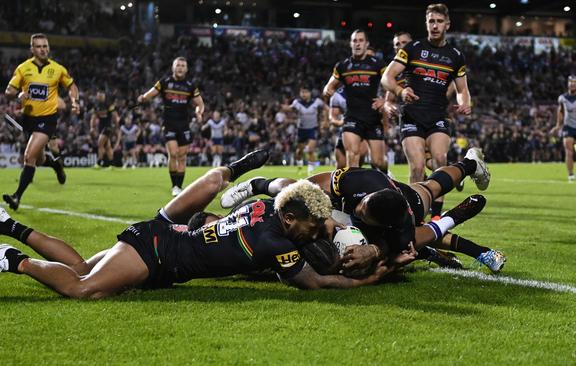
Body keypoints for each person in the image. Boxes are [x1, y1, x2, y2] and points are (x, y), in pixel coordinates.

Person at [0, 150, 390, 298]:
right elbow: (317, 282)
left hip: (162, 246)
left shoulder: (272, 207)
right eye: (312, 225)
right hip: (156, 250)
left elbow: (294, 192)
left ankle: (9, 225)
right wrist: (363, 280)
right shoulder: (276, 242)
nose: (315, 230)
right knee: (85, 290)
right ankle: (12, 259)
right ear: (291, 219)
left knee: (84, 268)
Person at [220, 148, 505, 272]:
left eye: (363, 212)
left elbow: (427, 232)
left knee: (429, 191)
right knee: (304, 193)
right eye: (362, 205)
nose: (358, 209)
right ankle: (257, 183)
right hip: (380, 190)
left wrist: (376, 251)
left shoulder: (403, 226)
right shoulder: (361, 180)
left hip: (410, 203)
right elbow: (307, 186)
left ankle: (469, 168)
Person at [381, 4, 472, 216]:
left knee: (440, 160)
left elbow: (462, 89)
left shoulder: (455, 56)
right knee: (418, 167)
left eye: (439, 21)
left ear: (447, 25)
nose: (435, 25)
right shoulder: (412, 48)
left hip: (438, 116)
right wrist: (400, 92)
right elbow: (387, 77)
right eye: (431, 21)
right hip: (412, 115)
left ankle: (437, 215)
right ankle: (415, 216)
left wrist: (465, 102)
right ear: (426, 24)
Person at [3, 33, 79, 211]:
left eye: (45, 46)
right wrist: (18, 94)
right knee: (38, 160)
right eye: (39, 46)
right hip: (28, 119)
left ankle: (16, 197)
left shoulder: (58, 69)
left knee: (28, 157)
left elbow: (72, 86)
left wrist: (74, 102)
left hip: (48, 119)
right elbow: (9, 90)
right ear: (32, 49)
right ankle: (55, 165)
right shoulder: (23, 69)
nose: (43, 49)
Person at [137, 56, 205, 196]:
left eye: (183, 65)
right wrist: (143, 98)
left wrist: (199, 112)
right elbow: (150, 94)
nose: (180, 67)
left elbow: (200, 104)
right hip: (169, 124)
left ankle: (179, 187)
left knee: (182, 156)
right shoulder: (165, 82)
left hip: (184, 124)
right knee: (173, 154)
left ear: (186, 69)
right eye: (178, 65)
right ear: (173, 67)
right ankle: (174, 186)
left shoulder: (190, 86)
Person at [323, 29, 387, 172]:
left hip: (373, 118)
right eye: (355, 41)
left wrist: (385, 100)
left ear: (366, 44)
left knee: (378, 162)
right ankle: (355, 192)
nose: (357, 44)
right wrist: (327, 89)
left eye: (361, 40)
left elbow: (390, 81)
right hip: (352, 117)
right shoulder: (342, 66)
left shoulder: (378, 64)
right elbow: (329, 85)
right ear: (350, 44)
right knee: (352, 157)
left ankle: (386, 178)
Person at [281, 87, 327, 174]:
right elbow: (290, 108)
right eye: (302, 92)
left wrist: (325, 121)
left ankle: (311, 170)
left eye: (306, 92)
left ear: (310, 93)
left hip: (313, 129)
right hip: (301, 130)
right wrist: (284, 107)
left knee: (310, 149)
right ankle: (300, 165)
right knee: (299, 152)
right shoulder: (297, 102)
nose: (304, 94)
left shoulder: (316, 101)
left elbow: (326, 108)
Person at [90, 91, 119, 168]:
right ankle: (112, 164)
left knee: (100, 143)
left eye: (101, 96)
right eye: (99, 96)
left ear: (104, 96)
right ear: (97, 96)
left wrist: (116, 126)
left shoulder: (108, 104)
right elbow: (93, 117)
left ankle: (99, 163)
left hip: (108, 127)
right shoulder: (96, 106)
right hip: (101, 127)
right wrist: (92, 127)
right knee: (107, 146)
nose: (100, 97)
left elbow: (115, 115)